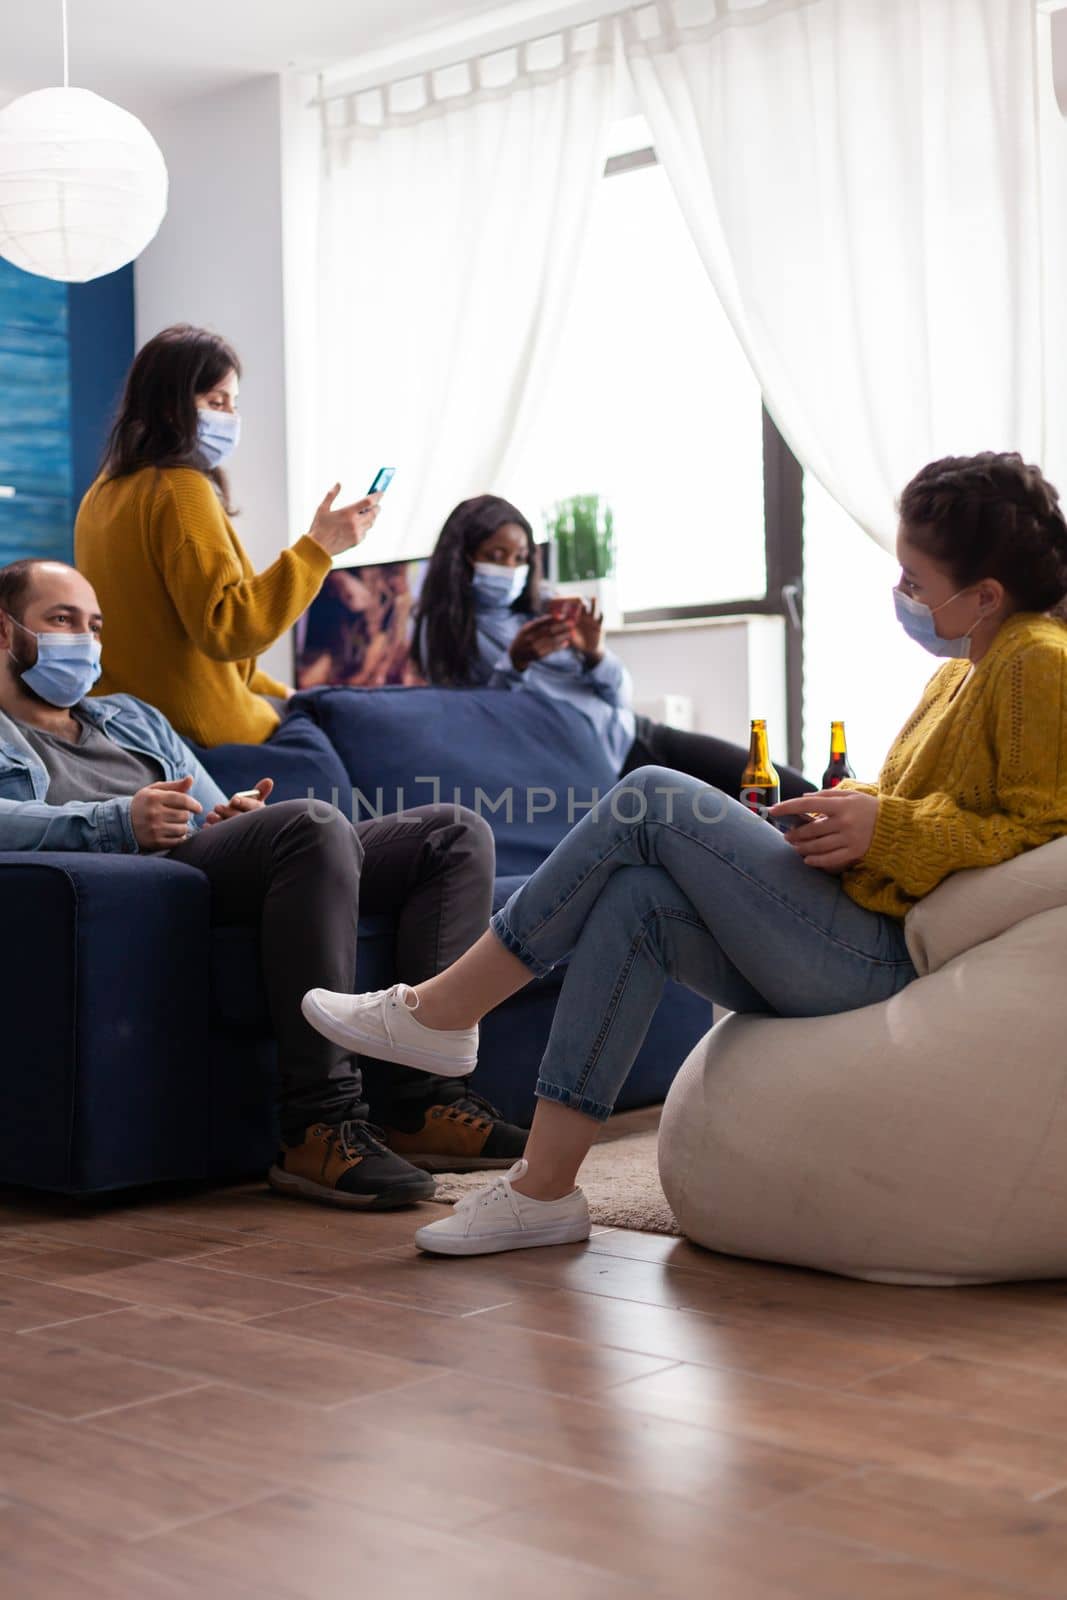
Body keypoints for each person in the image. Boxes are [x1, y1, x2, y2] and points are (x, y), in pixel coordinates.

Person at [305, 452, 1067, 1254]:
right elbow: (942, 800)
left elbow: (1041, 828)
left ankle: (446, 1010)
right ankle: (543, 1191)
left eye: (915, 581)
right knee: (636, 903)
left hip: (881, 955)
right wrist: (861, 810)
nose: (903, 595)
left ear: (984, 595)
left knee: (650, 794)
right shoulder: (962, 672)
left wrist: (889, 831)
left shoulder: (1036, 663)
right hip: (855, 921)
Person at [0, 558, 527, 1204]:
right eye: (61, 620)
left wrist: (236, 813)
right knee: (312, 824)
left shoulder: (132, 718)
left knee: (452, 833)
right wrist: (116, 821)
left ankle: (423, 1105)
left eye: (94, 624)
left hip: (203, 861)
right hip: (143, 881)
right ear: (5, 633)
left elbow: (217, 805)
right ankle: (317, 1125)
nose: (83, 640)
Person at [75, 324, 380, 748]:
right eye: (215, 401)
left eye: (233, 403)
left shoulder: (101, 493)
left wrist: (280, 694)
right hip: (197, 734)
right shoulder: (180, 489)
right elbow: (229, 629)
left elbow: (184, 641)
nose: (230, 418)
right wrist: (319, 548)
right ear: (169, 406)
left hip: (129, 723)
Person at [412, 493, 813, 798]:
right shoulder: (443, 634)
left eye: (520, 558)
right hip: (597, 769)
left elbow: (617, 694)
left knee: (790, 791)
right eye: (495, 556)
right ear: (462, 557)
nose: (511, 571)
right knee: (736, 816)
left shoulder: (542, 606)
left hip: (636, 735)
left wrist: (595, 654)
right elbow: (479, 726)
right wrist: (513, 665)